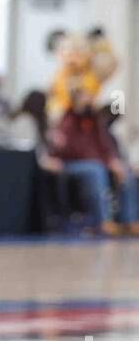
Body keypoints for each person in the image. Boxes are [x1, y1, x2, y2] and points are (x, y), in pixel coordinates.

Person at [42, 88, 139, 237]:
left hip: (98, 163)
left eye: (90, 98)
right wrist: (106, 162)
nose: (89, 102)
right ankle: (103, 222)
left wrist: (113, 161)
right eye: (85, 99)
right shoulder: (67, 121)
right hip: (71, 164)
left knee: (125, 171)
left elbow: (107, 147)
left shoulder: (96, 123)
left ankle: (129, 221)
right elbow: (72, 150)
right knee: (95, 170)